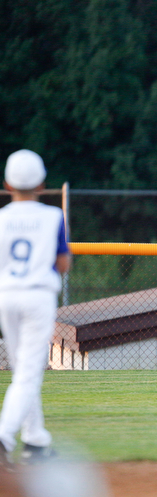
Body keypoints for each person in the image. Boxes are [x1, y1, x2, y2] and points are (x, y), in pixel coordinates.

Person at [0, 150, 71, 468]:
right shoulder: (52, 216)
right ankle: (3, 436)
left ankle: (36, 441)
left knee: (22, 372)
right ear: (42, 184)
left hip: (5, 295)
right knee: (28, 373)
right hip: (37, 296)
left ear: (6, 184)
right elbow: (63, 263)